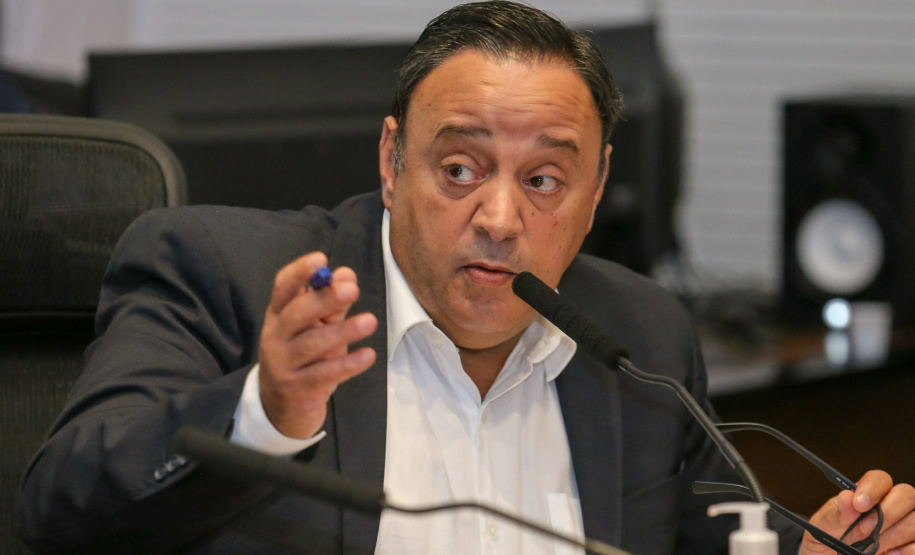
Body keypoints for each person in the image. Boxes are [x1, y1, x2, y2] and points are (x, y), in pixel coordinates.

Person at [17, 2, 915, 554]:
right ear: (390, 158)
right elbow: (61, 511)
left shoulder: (640, 337)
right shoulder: (223, 275)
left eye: (542, 180)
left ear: (596, 190)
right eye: (457, 169)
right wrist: (263, 411)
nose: (496, 218)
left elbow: (705, 536)